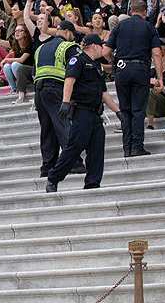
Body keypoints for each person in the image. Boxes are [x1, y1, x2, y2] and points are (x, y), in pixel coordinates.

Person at [45, 34, 121, 192]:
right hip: (81, 112)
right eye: (101, 45)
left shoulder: (97, 66)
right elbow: (69, 80)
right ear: (94, 46)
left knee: (97, 149)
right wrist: (65, 102)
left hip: (95, 114)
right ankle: (53, 177)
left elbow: (104, 93)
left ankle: (92, 183)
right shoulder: (77, 60)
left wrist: (118, 112)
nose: (103, 49)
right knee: (75, 147)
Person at [103, 0, 164, 157]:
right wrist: (159, 77)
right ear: (144, 12)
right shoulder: (149, 27)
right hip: (140, 68)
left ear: (130, 11)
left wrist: (115, 62)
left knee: (125, 109)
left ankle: (126, 147)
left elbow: (105, 52)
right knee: (138, 109)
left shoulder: (120, 26)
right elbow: (157, 53)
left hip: (122, 70)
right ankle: (137, 146)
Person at [33, 20, 84, 177]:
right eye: (73, 35)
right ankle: (73, 162)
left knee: (47, 129)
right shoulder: (69, 46)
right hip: (55, 89)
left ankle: (48, 166)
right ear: (68, 32)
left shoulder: (40, 48)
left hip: (39, 92)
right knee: (63, 125)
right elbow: (78, 68)